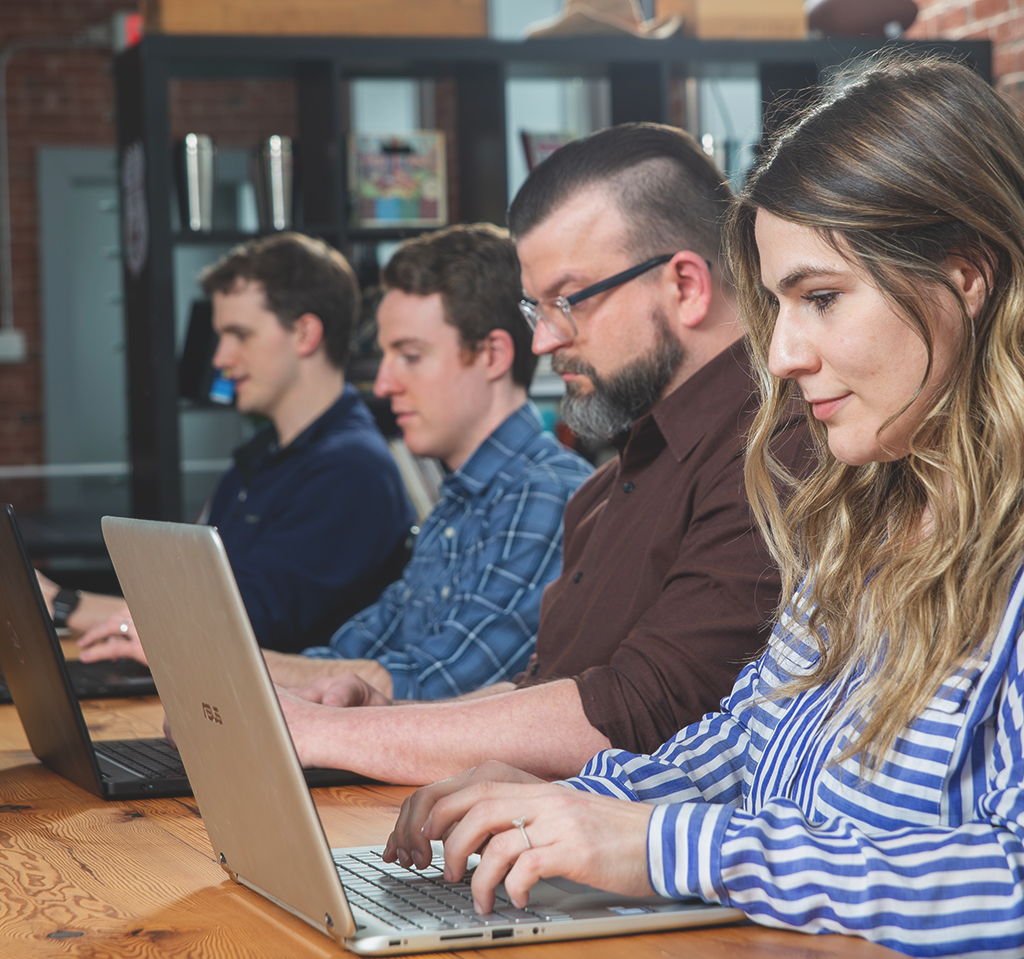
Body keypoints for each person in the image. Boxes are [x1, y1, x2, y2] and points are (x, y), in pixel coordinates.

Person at [385, 55, 1024, 957]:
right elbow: (745, 742)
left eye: (823, 298)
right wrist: (578, 803)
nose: (787, 354)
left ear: (968, 277)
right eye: (777, 304)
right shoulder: (863, 514)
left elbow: (1012, 880)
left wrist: (660, 846)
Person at [274, 123, 807, 782]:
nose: (544, 342)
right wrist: (377, 712)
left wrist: (328, 734)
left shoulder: (773, 450)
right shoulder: (606, 488)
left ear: (686, 287)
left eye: (568, 301)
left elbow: (638, 713)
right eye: (537, 309)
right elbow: (544, 691)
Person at [252, 223, 592, 699]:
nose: (385, 383)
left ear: (492, 354)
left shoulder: (548, 494)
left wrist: (233, 669)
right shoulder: (458, 500)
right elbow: (356, 651)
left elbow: (435, 683)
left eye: (410, 355)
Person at [72, 232, 415, 654]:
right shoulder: (260, 457)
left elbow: (240, 624)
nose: (220, 358)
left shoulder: (352, 469)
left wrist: (65, 605)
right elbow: (192, 597)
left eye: (240, 335)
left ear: (305, 334)